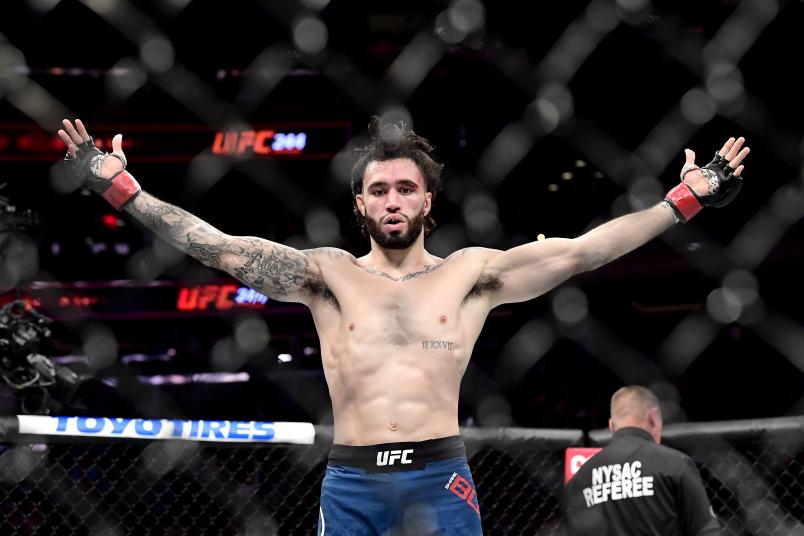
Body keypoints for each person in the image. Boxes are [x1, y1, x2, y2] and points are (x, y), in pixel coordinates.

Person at [57, 117, 748, 535]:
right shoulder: (325, 275)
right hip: (352, 481)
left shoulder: (473, 274)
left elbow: (583, 251)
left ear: (428, 199)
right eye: (379, 190)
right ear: (360, 203)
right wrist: (125, 191)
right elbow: (221, 247)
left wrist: (686, 199)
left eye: (405, 188)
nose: (393, 200)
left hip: (438, 475)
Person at [562, 386, 720, 535]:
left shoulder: (580, 479)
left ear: (611, 425)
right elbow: (706, 531)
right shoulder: (675, 463)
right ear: (653, 417)